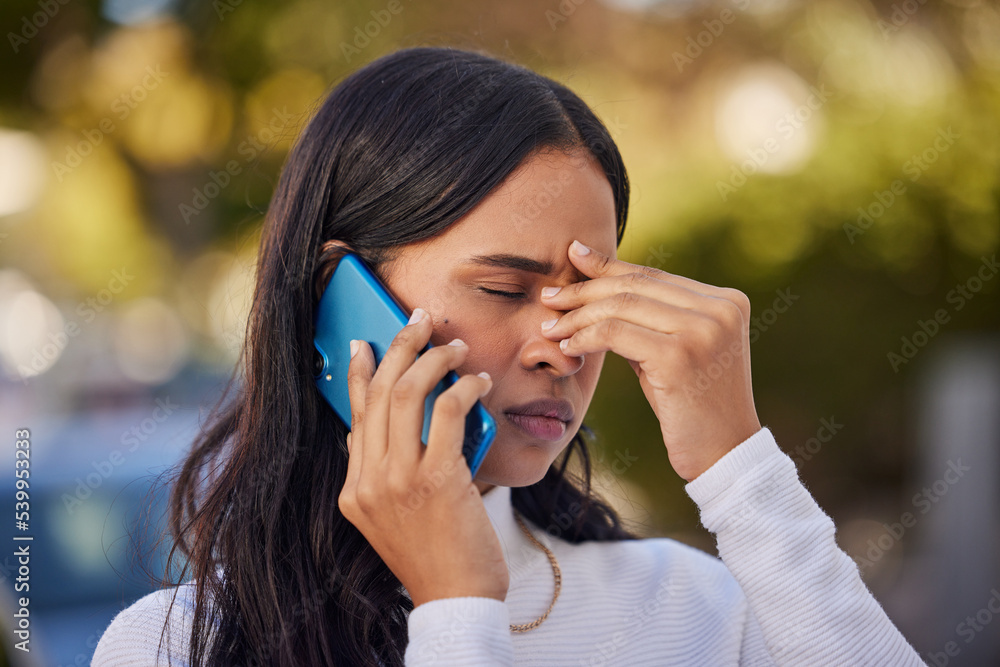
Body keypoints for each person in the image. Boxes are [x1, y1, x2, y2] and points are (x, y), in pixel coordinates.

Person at [92, 45, 924, 666]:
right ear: (336, 298)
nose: (562, 345)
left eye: (586, 296)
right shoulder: (176, 646)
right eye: (503, 288)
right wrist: (458, 609)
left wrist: (739, 468)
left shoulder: (692, 604)